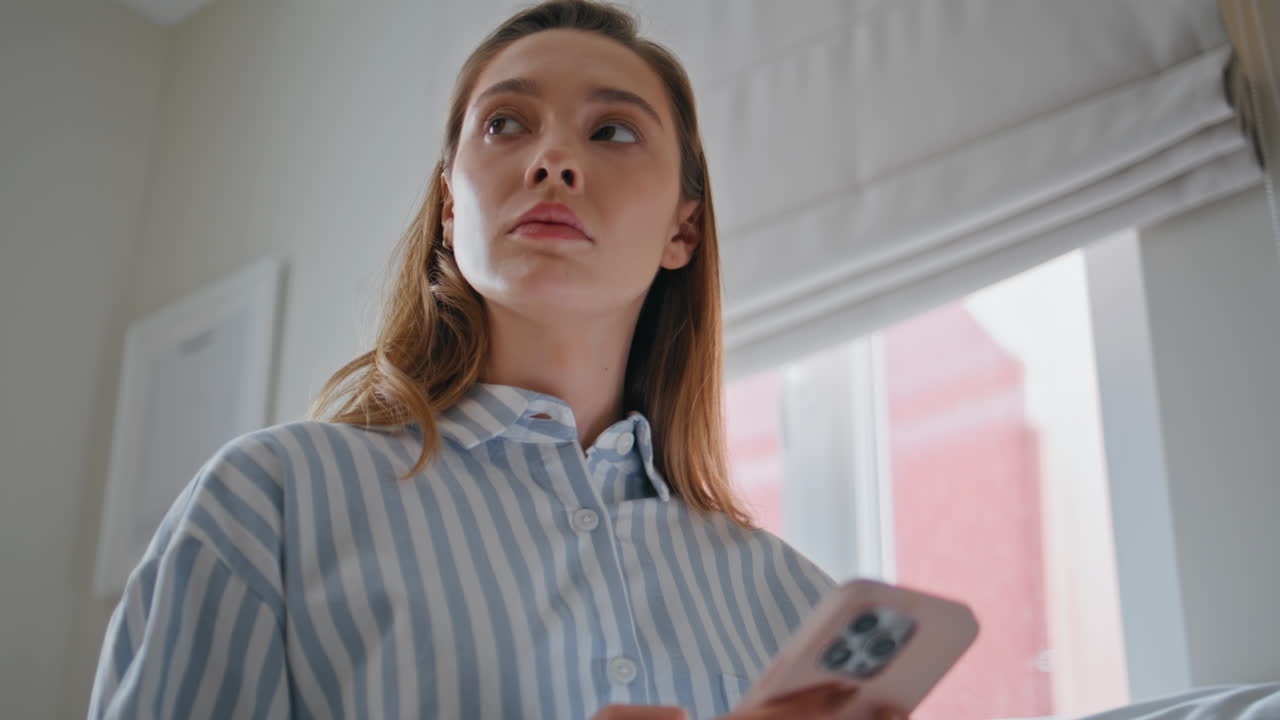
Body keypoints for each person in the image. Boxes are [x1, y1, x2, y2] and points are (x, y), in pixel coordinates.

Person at [87, 2, 908, 718]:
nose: (552, 161)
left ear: (682, 232)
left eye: (612, 130)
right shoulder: (268, 506)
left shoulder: (802, 610)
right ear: (450, 207)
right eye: (505, 123)